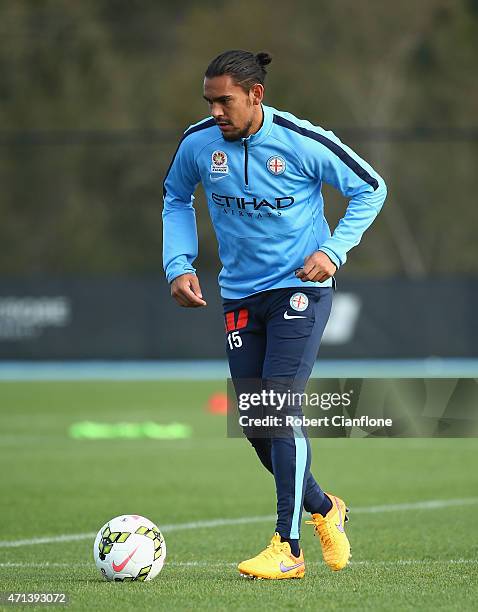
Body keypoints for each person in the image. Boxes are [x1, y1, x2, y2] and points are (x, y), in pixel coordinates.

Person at [162, 49, 387, 580]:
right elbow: (175, 195)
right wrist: (178, 263)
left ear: (255, 95)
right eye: (210, 101)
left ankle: (288, 548)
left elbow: (370, 187)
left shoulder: (300, 140)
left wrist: (333, 251)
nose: (216, 111)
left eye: (225, 101)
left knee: (279, 406)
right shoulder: (198, 143)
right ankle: (324, 507)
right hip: (240, 294)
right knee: (256, 422)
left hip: (299, 290)